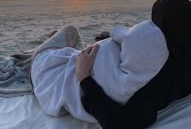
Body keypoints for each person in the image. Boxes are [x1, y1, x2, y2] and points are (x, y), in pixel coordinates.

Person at [77, 0, 191, 129]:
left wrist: (84, 78)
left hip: (83, 63)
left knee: (68, 37)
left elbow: (120, 125)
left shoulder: (154, 71)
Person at [31, 20, 169, 122]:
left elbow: (117, 33)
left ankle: (46, 44)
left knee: (70, 30)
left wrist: (84, 76)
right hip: (69, 65)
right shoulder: (151, 76)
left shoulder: (132, 46)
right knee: (76, 47)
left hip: (45, 68)